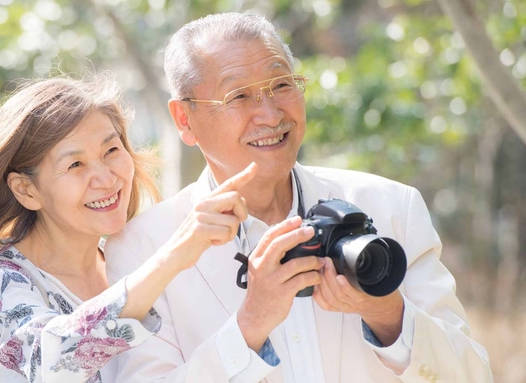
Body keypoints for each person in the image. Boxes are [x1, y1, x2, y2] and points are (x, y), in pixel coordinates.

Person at [103, 12, 493, 383]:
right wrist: (250, 325)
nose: (271, 115)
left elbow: (472, 375)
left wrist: (390, 316)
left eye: (282, 85)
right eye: (239, 96)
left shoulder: (391, 206)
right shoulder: (142, 249)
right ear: (184, 120)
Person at [0, 73, 257, 383]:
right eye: (76, 165)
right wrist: (175, 255)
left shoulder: (129, 260)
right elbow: (51, 361)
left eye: (111, 151)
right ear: (26, 189)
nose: (105, 178)